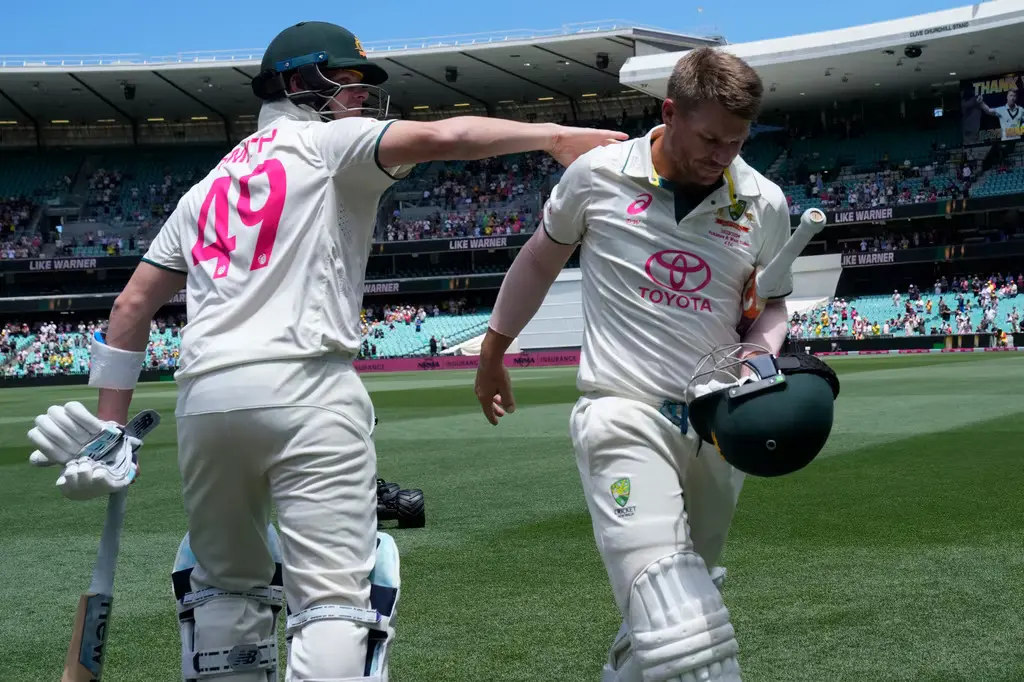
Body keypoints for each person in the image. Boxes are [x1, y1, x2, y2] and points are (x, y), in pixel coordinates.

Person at [23, 20, 626, 682]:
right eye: (348, 80)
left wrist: (111, 430)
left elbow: (130, 308)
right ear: (296, 84)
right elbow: (448, 137)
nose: (361, 94)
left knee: (226, 595)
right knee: (338, 603)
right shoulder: (328, 144)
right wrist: (557, 137)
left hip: (205, 402)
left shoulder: (205, 187)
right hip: (307, 390)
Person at [473, 47, 793, 681]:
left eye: (736, 141)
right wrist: (492, 351)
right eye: (708, 138)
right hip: (622, 410)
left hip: (715, 426)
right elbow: (539, 261)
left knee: (663, 612)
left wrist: (762, 354)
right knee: (682, 621)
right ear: (670, 111)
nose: (721, 155)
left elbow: (773, 307)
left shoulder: (764, 200)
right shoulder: (597, 175)